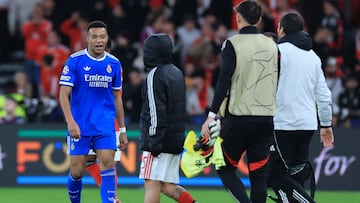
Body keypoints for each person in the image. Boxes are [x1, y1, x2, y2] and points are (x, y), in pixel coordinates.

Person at [201, 1, 279, 202]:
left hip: (238, 119)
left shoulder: (232, 44)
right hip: (265, 120)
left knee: (224, 168)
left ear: (237, 18)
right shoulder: (272, 45)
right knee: (259, 176)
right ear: (260, 19)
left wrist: (211, 115)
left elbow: (224, 80)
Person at [267, 12, 334, 203]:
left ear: (281, 29)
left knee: (275, 175)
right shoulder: (312, 56)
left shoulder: (278, 52)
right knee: (295, 176)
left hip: (283, 124)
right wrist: (326, 124)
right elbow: (323, 94)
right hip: (307, 125)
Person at [59, 20, 128, 203]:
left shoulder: (114, 64)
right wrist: (70, 122)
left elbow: (117, 97)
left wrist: (122, 130)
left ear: (107, 39)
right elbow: (63, 95)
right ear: (87, 38)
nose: (99, 40)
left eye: (102, 37)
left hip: (104, 125)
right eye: (95, 36)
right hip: (80, 125)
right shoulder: (75, 61)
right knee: (77, 171)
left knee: (108, 164)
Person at [138, 33, 198, 203]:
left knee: (151, 183)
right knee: (167, 186)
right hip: (175, 138)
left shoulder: (154, 76)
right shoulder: (177, 72)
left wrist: (153, 142)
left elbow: (156, 112)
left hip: (159, 139)